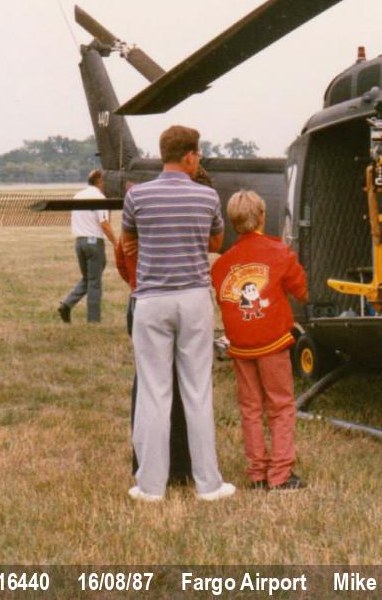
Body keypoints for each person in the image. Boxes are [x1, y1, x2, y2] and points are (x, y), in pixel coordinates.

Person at [122, 125, 234, 502]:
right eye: (198, 154)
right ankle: (208, 483)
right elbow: (215, 242)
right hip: (194, 298)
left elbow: (128, 243)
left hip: (152, 299)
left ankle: (150, 485)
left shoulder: (137, 196)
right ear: (188, 156)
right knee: (197, 391)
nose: (198, 160)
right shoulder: (207, 196)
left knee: (154, 391)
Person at [212, 190, 309, 490]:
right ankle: (280, 474)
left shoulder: (221, 265)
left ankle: (257, 473)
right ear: (263, 217)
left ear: (232, 222)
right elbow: (301, 290)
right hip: (272, 343)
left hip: (240, 345)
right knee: (280, 405)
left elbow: (223, 300)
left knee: (250, 408)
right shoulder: (279, 252)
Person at [115, 180, 192, 485]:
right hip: (170, 301)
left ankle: (145, 462)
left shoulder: (130, 236)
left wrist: (136, 284)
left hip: (140, 301)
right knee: (181, 382)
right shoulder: (169, 234)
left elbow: (122, 265)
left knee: (147, 383)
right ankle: (180, 464)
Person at [57, 169, 116, 324]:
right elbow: (104, 224)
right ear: (99, 182)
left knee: (88, 278)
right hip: (94, 243)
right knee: (94, 283)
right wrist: (116, 243)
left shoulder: (78, 195)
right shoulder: (100, 198)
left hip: (79, 242)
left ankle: (67, 305)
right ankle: (93, 320)